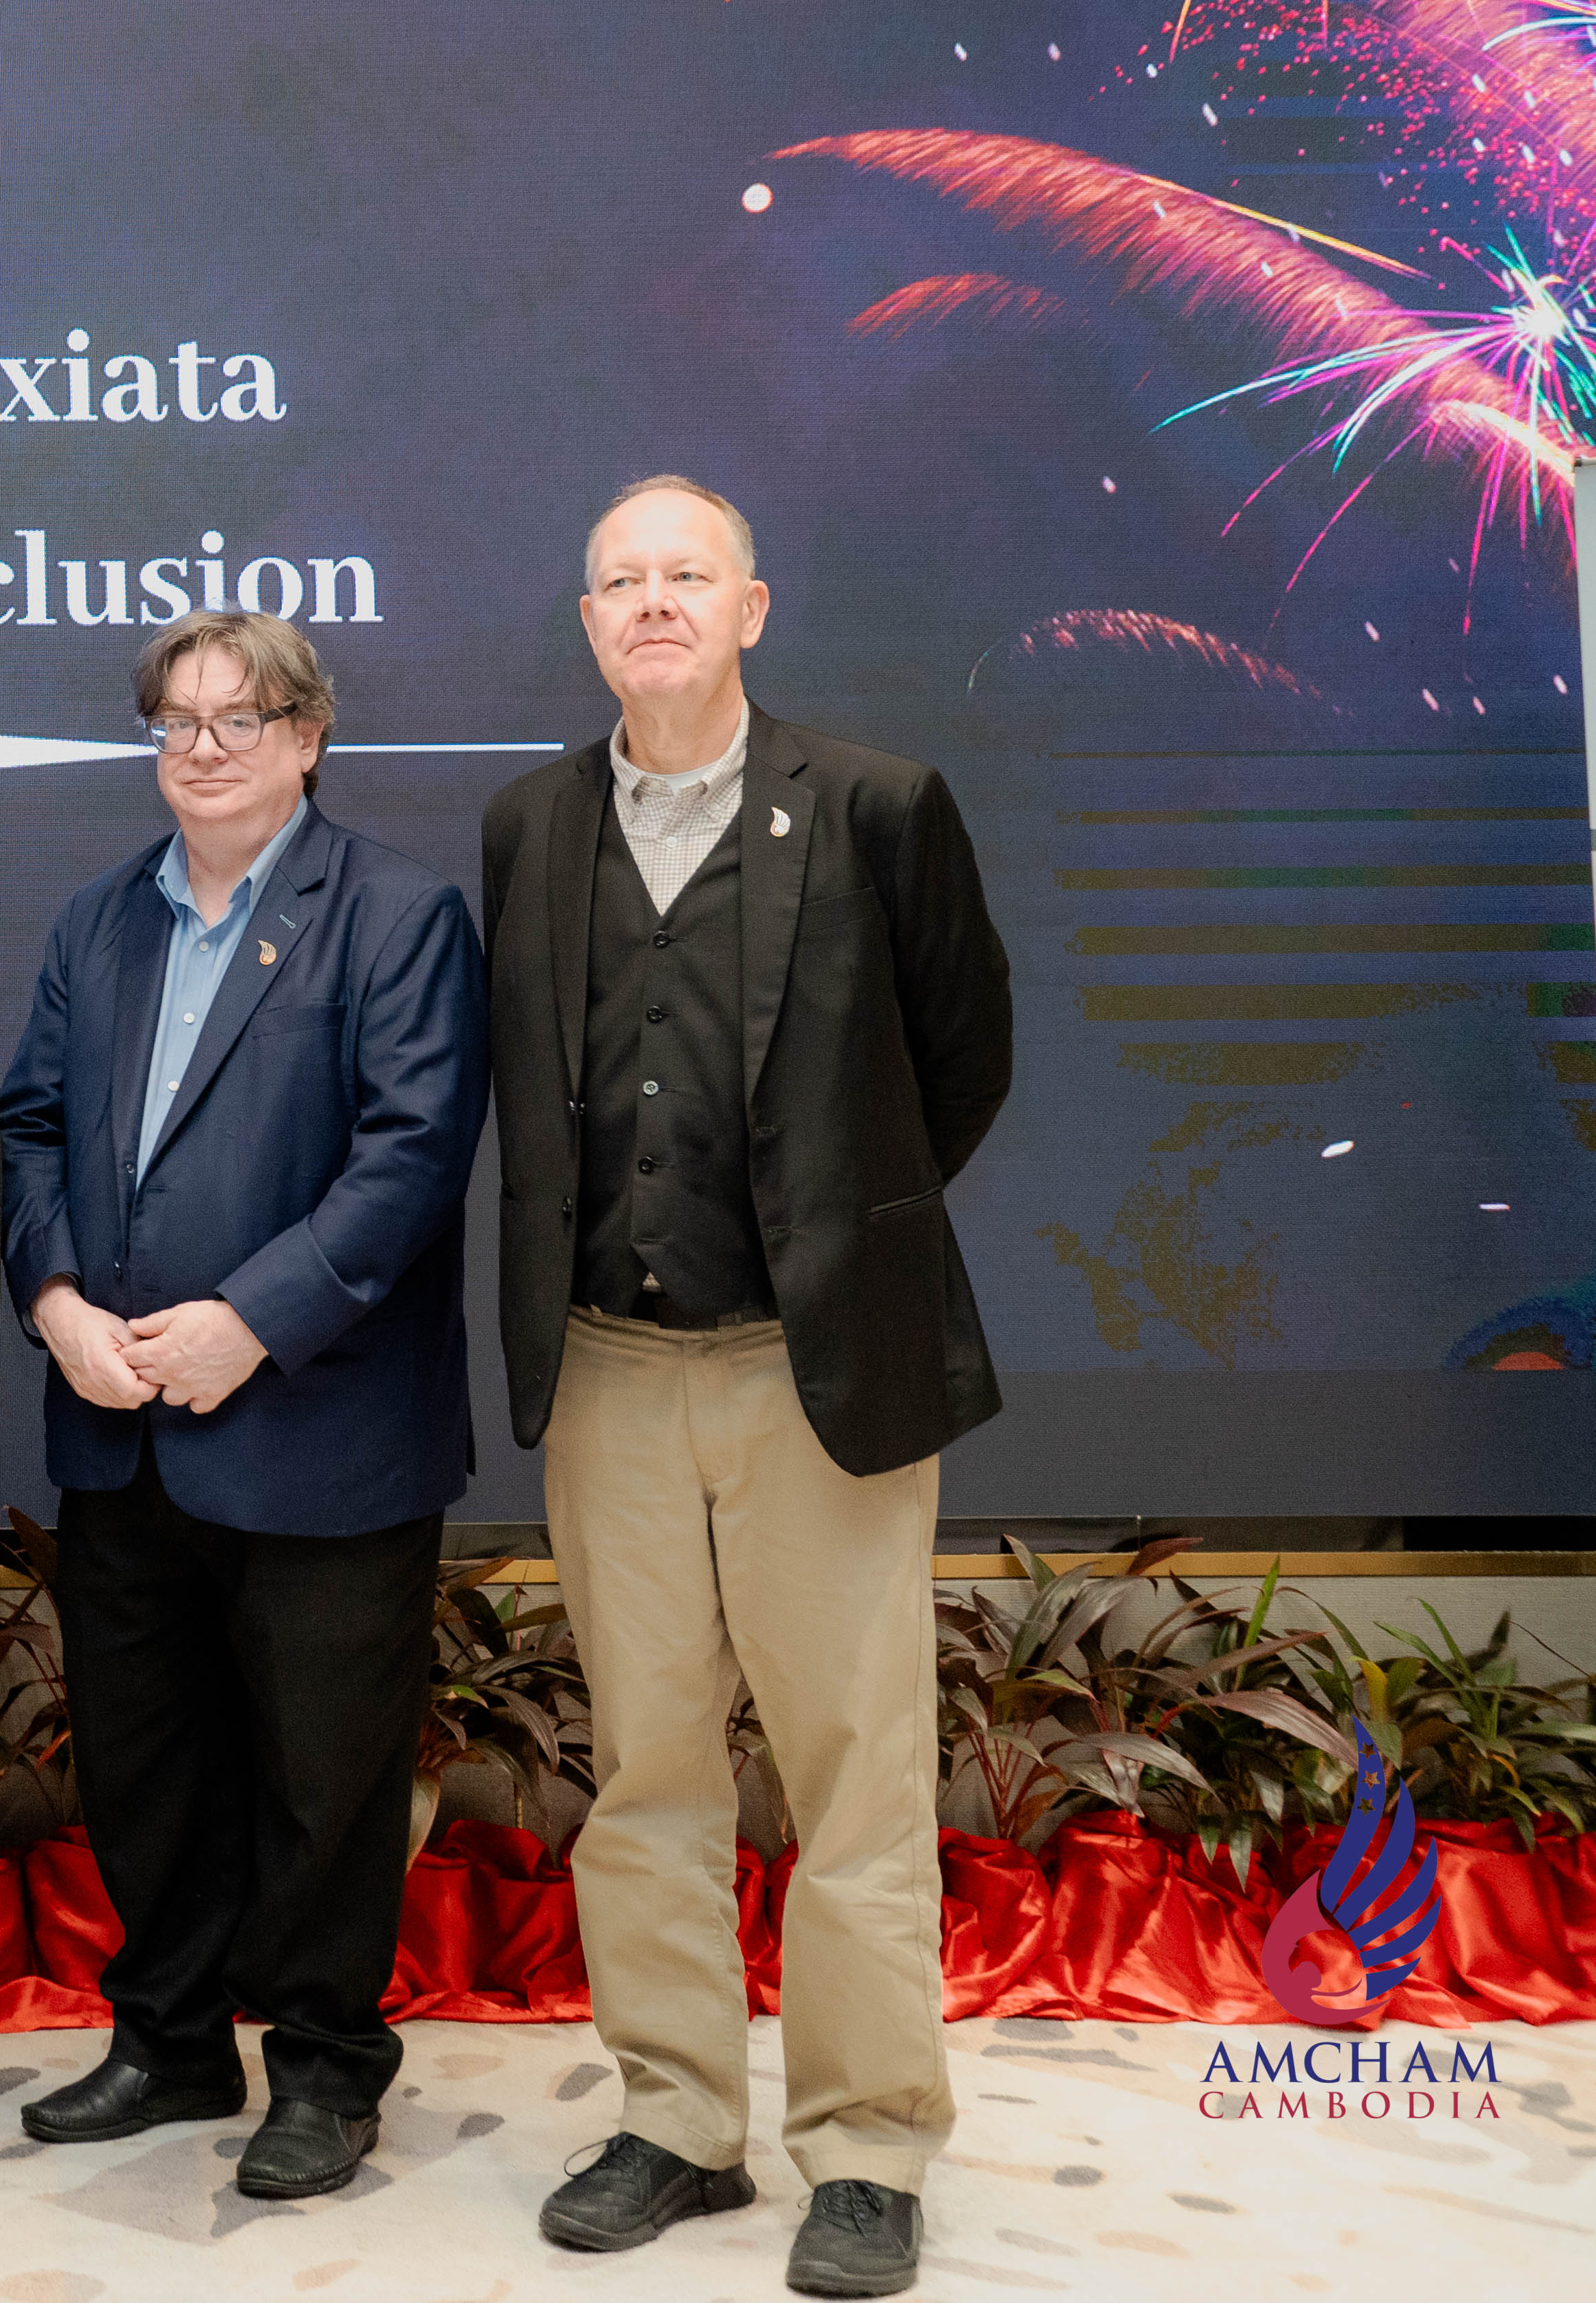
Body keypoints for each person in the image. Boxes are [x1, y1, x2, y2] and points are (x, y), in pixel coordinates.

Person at [483, 477, 1013, 2303]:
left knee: (852, 1773)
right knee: (643, 1769)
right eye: (619, 578)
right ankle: (676, 2120)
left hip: (815, 1370)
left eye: (684, 573)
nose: (652, 600)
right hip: (608, 1369)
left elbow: (962, 1061)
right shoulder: (528, 824)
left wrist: (832, 1236)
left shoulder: (874, 805)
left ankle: (865, 2148)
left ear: (750, 606)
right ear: (586, 621)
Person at [0, 612, 488, 2199]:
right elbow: (26, 1129)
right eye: (177, 720)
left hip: (318, 1432)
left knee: (322, 1778)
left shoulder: (396, 915)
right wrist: (53, 1299)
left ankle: (326, 2068)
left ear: (307, 736)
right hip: (119, 1423)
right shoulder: (98, 920)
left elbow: (410, 1156)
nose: (202, 747)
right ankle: (170, 2038)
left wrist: (251, 1324)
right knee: (146, 1762)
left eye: (240, 717)